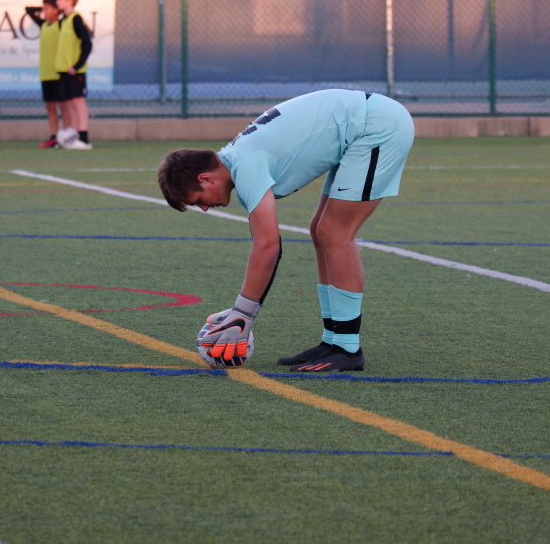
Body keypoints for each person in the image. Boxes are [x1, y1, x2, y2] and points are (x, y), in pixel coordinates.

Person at [157, 89, 415, 372]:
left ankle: (346, 347)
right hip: (365, 122)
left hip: (376, 125)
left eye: (197, 201)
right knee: (321, 230)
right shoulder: (238, 159)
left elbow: (268, 247)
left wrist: (242, 314)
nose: (204, 208)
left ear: (205, 178)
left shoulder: (245, 164)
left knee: (335, 232)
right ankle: (333, 340)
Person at [25, 0, 70, 148]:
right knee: (50, 106)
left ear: (56, 10)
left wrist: (57, 8)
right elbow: (29, 10)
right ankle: (54, 137)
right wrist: (43, 7)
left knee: (63, 105)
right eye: (43, 9)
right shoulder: (44, 25)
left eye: (47, 9)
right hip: (45, 72)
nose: (44, 12)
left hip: (58, 72)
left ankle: (67, 136)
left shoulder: (62, 25)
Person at [54, 0, 93, 150]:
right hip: (64, 70)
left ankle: (84, 138)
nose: (57, 2)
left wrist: (77, 65)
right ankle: (73, 137)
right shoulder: (64, 20)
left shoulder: (76, 19)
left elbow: (87, 43)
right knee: (69, 103)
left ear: (69, 0)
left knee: (78, 102)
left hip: (74, 70)